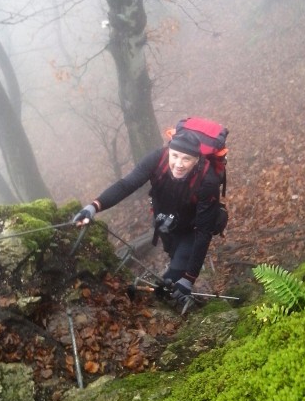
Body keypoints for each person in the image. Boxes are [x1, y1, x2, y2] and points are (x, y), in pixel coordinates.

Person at [73, 129, 223, 307]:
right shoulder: (157, 159)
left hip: (192, 230)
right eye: (175, 156)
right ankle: (177, 277)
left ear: (197, 159)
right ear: (168, 151)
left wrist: (189, 279)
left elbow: (204, 232)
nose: (179, 164)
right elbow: (127, 184)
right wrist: (94, 206)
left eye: (186, 159)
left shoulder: (208, 181)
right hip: (166, 223)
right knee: (173, 258)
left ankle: (180, 287)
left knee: (173, 278)